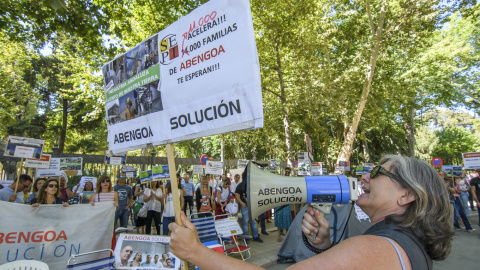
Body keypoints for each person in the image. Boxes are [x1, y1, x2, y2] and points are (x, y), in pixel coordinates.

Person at [169, 155, 454, 270]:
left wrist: (195, 252)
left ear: (407, 194)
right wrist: (328, 247)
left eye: (379, 172)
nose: (365, 177)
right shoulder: (401, 242)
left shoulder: (376, 246)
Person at [234, 170, 263, 243]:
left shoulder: (252, 184)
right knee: (245, 223)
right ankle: (246, 238)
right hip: (245, 207)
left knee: (253, 222)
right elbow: (236, 194)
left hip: (252, 206)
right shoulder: (241, 185)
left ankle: (255, 236)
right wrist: (241, 203)